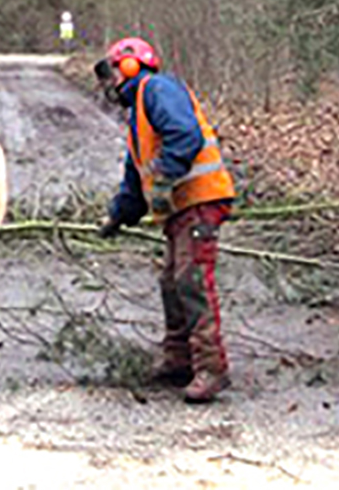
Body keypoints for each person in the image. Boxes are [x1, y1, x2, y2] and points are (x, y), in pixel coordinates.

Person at [93, 37, 238, 403]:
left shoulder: (158, 89)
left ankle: (212, 367)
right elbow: (134, 178)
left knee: (191, 279)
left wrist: (165, 177)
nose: (110, 83)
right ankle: (179, 360)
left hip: (199, 199)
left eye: (113, 71)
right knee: (171, 281)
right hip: (181, 207)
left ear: (130, 65)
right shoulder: (137, 116)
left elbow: (185, 135)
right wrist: (117, 216)